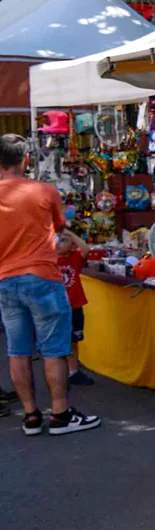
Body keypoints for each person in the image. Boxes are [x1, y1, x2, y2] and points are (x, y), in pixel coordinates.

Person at [0, 134, 100, 435]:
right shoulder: (44, 190)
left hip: (5, 279)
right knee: (54, 349)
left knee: (17, 351)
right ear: (26, 160)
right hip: (42, 276)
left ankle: (31, 416)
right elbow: (60, 229)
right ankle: (60, 414)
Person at [55, 234, 93, 386]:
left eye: (63, 241)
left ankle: (73, 371)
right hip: (57, 307)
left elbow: (85, 249)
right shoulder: (50, 259)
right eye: (57, 240)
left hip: (75, 305)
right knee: (60, 340)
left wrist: (69, 233)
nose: (58, 243)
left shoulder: (75, 257)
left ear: (72, 246)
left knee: (74, 340)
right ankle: (61, 372)